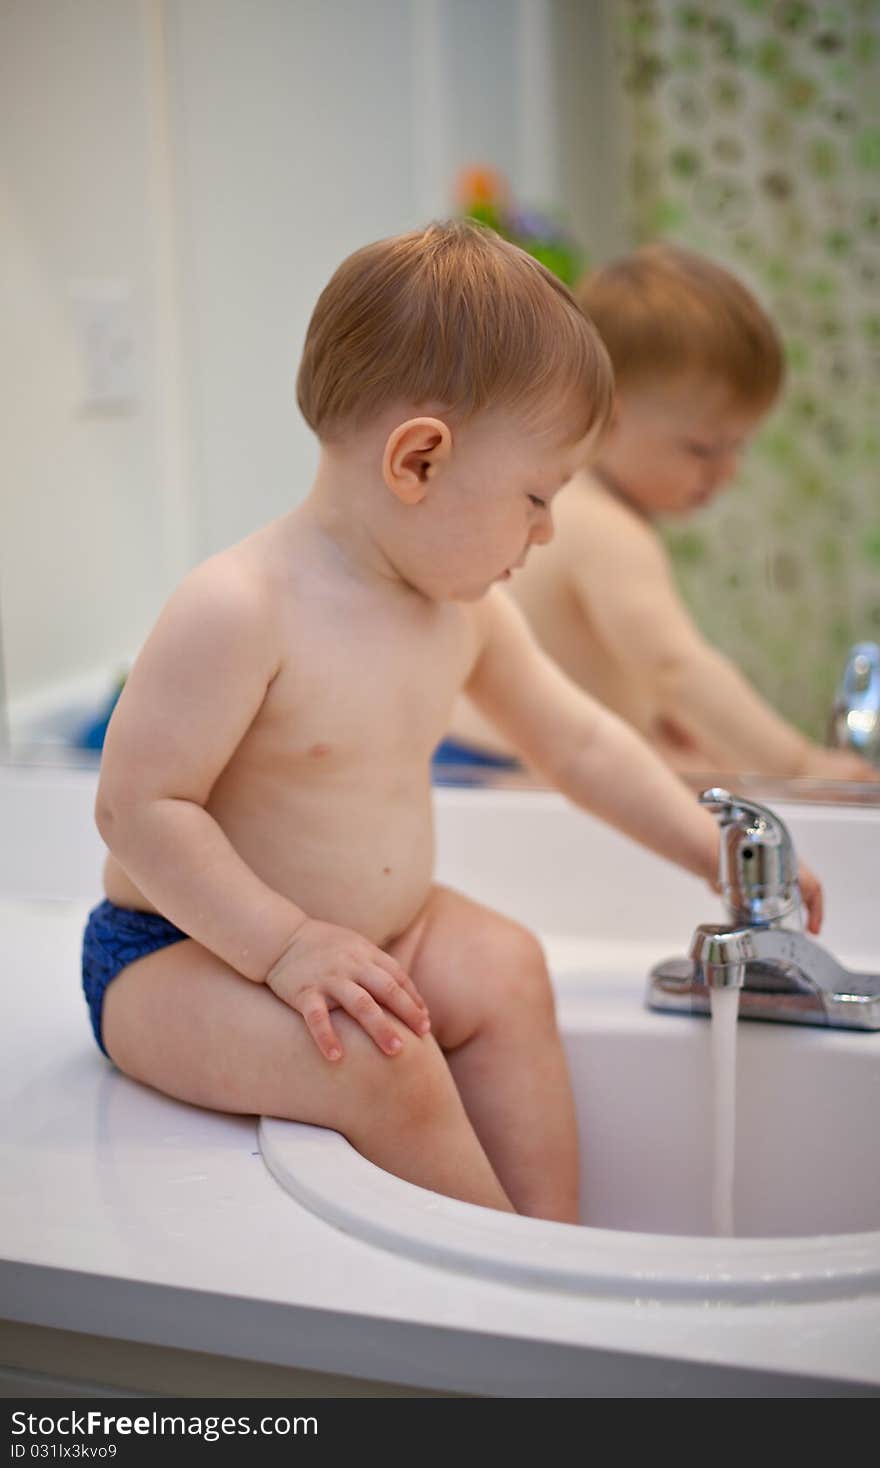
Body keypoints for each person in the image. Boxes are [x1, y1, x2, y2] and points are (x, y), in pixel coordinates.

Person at [83, 222, 824, 1229]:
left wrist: (706, 843)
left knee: (508, 965)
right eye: (534, 496)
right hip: (179, 954)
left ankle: (551, 1237)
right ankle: (522, 1288)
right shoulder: (241, 605)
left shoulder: (463, 609)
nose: (547, 531)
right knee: (385, 1062)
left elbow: (580, 742)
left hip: (383, 936)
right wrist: (286, 944)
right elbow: (139, 809)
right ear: (419, 460)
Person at [446, 242, 877, 783]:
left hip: (484, 757)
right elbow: (675, 670)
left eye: (737, 447)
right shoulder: (605, 527)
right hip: (491, 771)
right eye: (701, 449)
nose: (727, 472)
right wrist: (799, 765)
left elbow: (626, 688)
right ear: (605, 416)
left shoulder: (583, 506)